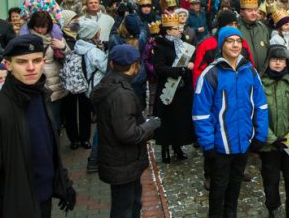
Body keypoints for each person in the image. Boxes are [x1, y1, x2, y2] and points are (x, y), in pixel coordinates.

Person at [0, 34, 76, 217]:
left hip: (43, 201)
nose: (31, 68)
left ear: (44, 61)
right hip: (16, 205)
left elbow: (48, 148)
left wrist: (64, 183)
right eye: (22, 62)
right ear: (8, 65)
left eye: (36, 60)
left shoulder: (42, 97)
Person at [193, 27, 268, 218]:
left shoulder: (250, 71)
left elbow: (261, 105)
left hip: (243, 141)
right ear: (221, 44)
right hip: (220, 145)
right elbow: (201, 114)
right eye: (229, 41)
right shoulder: (211, 74)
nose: (235, 45)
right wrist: (208, 144)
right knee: (219, 187)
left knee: (235, 184)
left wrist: (260, 134)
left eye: (238, 41)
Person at [91, 44, 161, 218]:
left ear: (112, 65)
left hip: (120, 161)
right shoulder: (121, 94)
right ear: (134, 66)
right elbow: (127, 133)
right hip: (123, 162)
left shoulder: (110, 84)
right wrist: (149, 126)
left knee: (130, 203)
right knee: (125, 207)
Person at [258, 45, 289, 218]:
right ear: (268, 61)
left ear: (286, 62)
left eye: (281, 60)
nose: (278, 63)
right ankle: (273, 208)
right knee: (271, 178)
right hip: (269, 144)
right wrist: (271, 138)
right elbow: (257, 113)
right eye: (274, 59)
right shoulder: (260, 84)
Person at [152, 13, 196, 163]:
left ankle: (178, 147)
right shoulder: (160, 46)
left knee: (179, 119)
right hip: (168, 87)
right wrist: (181, 70)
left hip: (182, 89)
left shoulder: (182, 43)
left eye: (180, 28)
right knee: (167, 120)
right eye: (176, 28)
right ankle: (165, 148)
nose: (180, 31)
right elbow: (158, 68)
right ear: (168, 31)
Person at [23, 11, 70, 132]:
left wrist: (63, 47)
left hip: (54, 82)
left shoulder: (57, 36)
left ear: (48, 26)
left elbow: (69, 56)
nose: (39, 30)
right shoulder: (25, 39)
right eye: (36, 26)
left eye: (43, 27)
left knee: (54, 119)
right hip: (33, 82)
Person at [67, 19, 107, 150]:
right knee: (85, 112)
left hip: (72, 85)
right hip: (87, 86)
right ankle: (85, 139)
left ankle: (73, 139)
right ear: (93, 34)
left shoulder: (76, 46)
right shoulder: (94, 51)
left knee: (71, 112)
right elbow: (105, 68)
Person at [237, 0, 270, 72]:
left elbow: (268, 50)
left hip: (263, 75)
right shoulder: (236, 28)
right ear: (241, 12)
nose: (254, 13)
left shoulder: (262, 28)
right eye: (249, 10)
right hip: (243, 74)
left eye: (255, 10)